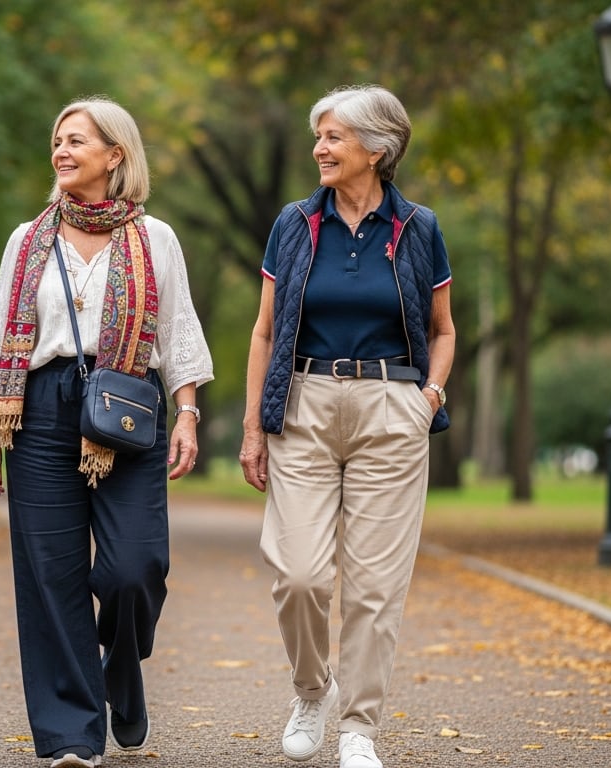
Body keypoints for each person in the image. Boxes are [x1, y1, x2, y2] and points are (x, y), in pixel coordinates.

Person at [0, 97, 213, 768]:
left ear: (116, 154)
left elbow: (178, 330)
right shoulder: (27, 240)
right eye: (57, 140)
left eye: (77, 139)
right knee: (51, 576)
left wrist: (187, 411)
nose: (62, 150)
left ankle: (122, 666)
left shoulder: (153, 238)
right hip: (41, 408)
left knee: (134, 568)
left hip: (126, 405)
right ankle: (71, 738)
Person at [239, 84, 456, 768]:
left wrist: (428, 398)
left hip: (392, 407)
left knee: (374, 586)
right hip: (302, 401)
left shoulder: (418, 227)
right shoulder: (295, 223)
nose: (320, 149)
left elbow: (444, 331)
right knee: (298, 574)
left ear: (377, 149)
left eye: (333, 137)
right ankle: (313, 689)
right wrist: (253, 426)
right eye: (319, 136)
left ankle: (359, 727)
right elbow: (265, 330)